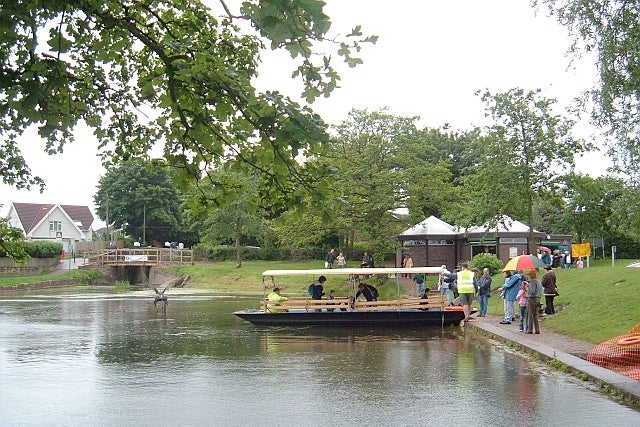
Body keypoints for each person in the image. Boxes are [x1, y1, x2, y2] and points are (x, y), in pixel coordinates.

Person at [525, 270, 543, 334]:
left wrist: (527, 288)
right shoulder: (539, 281)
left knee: (530, 314)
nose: (529, 276)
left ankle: (530, 329)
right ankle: (537, 329)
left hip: (532, 298)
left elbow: (532, 291)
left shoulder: (533, 281)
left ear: (533, 275)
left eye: (530, 274)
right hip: (538, 298)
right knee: (535, 314)